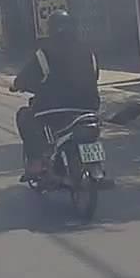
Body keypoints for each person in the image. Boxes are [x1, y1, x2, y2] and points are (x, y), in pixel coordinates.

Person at [11, 10, 100, 179]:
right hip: (88, 108)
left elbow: (25, 79)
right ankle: (96, 169)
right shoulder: (89, 52)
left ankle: (36, 163)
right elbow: (94, 77)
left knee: (25, 116)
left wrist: (16, 85)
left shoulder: (44, 53)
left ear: (51, 30)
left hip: (53, 109)